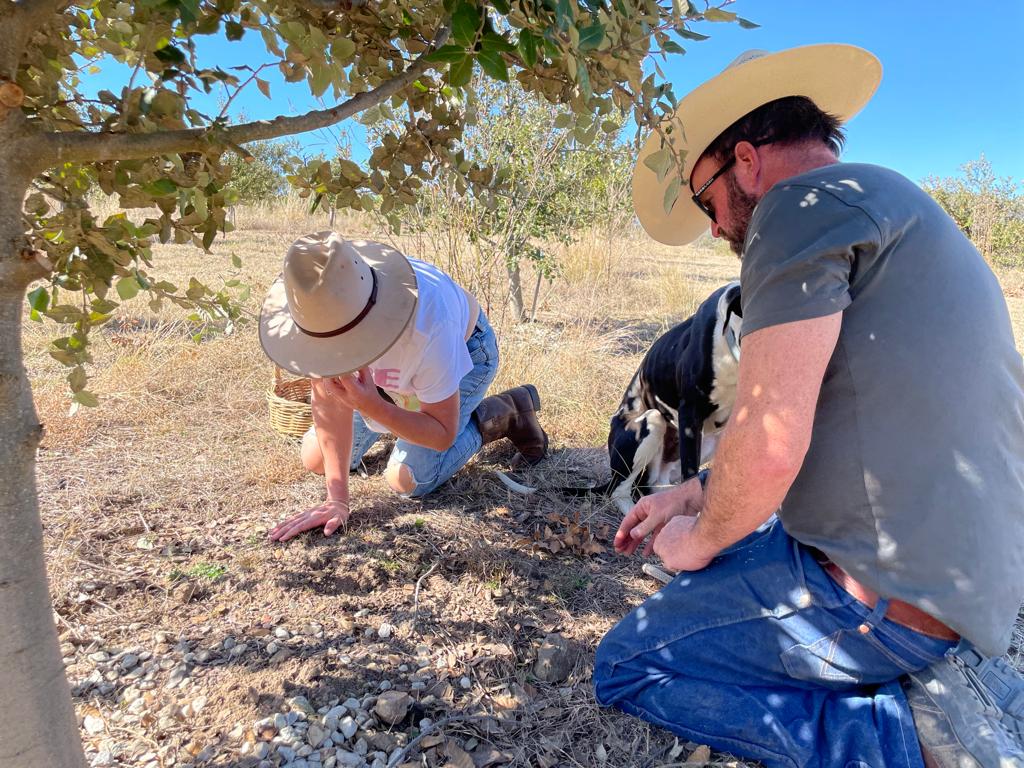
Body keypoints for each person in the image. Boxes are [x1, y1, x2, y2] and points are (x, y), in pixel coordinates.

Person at [595, 44, 1024, 767]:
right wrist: (697, 492)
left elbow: (769, 439)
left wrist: (693, 542)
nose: (713, 226)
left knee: (628, 663)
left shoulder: (794, 210)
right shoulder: (893, 202)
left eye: (706, 200)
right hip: (965, 583)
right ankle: (944, 679)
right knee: (741, 552)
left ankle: (902, 737)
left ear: (746, 162)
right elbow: (822, 413)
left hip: (882, 601)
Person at [258, 231, 548, 542]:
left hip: (467, 351)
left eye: (340, 343)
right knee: (315, 458)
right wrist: (337, 500)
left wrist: (373, 407)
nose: (335, 352)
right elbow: (328, 402)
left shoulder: (430, 327)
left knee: (407, 479)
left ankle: (505, 413)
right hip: (393, 378)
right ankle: (396, 420)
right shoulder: (324, 302)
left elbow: (440, 434)